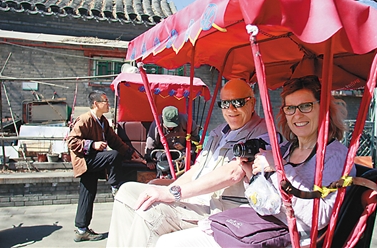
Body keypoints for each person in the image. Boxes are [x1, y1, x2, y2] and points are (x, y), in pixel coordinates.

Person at [155, 75, 357, 247]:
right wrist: (252, 176)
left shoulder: (335, 156)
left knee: (168, 243)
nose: (297, 115)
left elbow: (318, 217)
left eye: (305, 106)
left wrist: (279, 169)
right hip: (258, 225)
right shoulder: (287, 149)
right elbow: (266, 204)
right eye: (290, 108)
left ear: (323, 109)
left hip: (290, 238)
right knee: (165, 238)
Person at [106, 78, 273, 247]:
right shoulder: (218, 132)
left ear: (252, 102)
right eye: (224, 103)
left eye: (237, 102)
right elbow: (197, 168)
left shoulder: (263, 133)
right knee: (126, 192)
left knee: (151, 211)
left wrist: (174, 194)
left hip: (218, 207)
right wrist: (171, 189)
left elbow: (233, 173)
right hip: (194, 197)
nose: (230, 109)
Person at [68, 90, 145, 242]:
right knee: (113, 156)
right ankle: (116, 187)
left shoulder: (103, 121)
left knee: (87, 195)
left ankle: (81, 230)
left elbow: (114, 140)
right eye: (105, 102)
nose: (108, 104)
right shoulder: (84, 119)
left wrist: (130, 153)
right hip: (85, 161)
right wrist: (92, 144)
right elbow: (71, 142)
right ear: (96, 104)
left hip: (93, 161)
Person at [145, 105, 200, 178]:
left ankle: (184, 178)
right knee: (163, 158)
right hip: (162, 150)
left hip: (182, 150)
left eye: (173, 125)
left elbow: (195, 140)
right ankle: (163, 177)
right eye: (168, 125)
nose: (171, 127)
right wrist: (148, 160)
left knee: (188, 161)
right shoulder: (157, 124)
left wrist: (189, 154)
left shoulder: (186, 120)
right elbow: (150, 142)